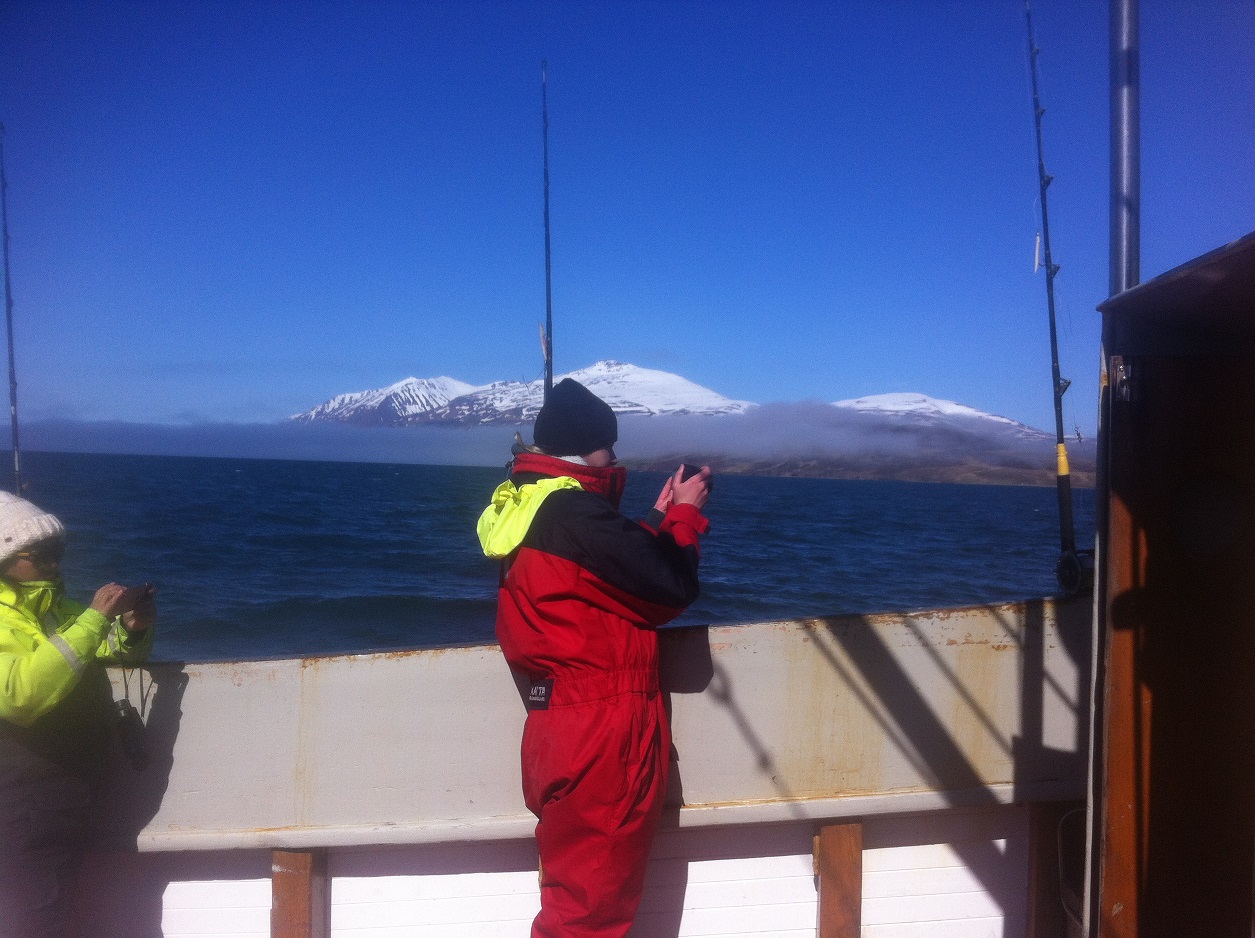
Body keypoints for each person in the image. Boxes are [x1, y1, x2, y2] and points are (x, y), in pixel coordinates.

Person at [477, 378, 712, 937]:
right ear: (588, 450)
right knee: (586, 920)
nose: (616, 456)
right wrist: (684, 517)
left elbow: (598, 585)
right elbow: (669, 589)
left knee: (575, 902)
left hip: (559, 730)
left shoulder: (529, 507)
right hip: (605, 738)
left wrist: (651, 526)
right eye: (611, 445)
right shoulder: (574, 515)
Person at [0, 491, 156, 938]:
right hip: (20, 799)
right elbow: (19, 695)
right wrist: (92, 620)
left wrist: (132, 630)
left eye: (59, 552)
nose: (55, 564)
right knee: (31, 912)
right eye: (42, 554)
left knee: (50, 903)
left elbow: (103, 649)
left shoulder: (55, 609)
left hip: (66, 791)